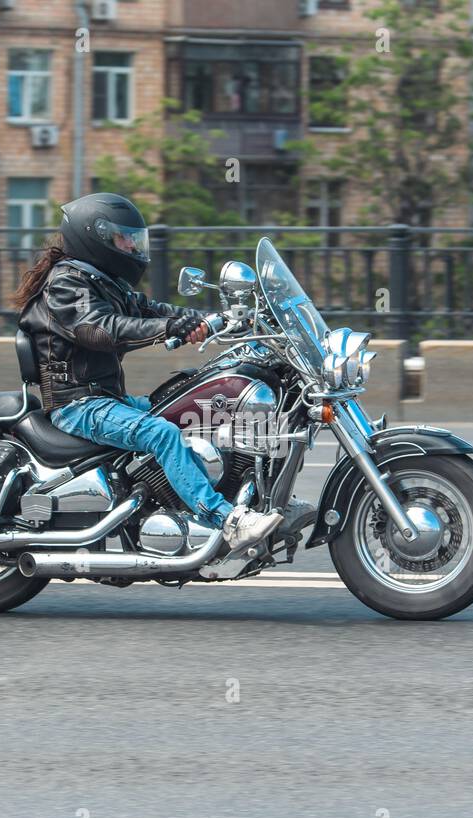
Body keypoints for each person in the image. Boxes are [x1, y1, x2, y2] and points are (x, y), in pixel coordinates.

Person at [15, 192, 283, 552]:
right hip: (78, 406)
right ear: (94, 237)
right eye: (121, 238)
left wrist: (207, 320)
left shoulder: (104, 282)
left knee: (193, 407)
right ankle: (225, 520)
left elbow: (149, 308)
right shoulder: (67, 283)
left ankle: (251, 496)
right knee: (162, 433)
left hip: (106, 398)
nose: (130, 245)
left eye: (131, 238)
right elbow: (99, 329)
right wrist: (169, 328)